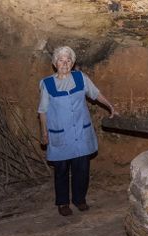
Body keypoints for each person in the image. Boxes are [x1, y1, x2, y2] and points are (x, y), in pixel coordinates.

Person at [38, 46, 117, 216]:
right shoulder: (47, 83)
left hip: (81, 133)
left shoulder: (81, 78)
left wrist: (110, 106)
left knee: (82, 169)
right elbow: (42, 111)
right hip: (60, 133)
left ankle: (79, 199)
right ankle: (63, 202)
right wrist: (44, 132)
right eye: (61, 60)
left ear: (72, 63)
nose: (64, 63)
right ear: (54, 63)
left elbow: (96, 94)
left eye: (68, 60)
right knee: (61, 170)